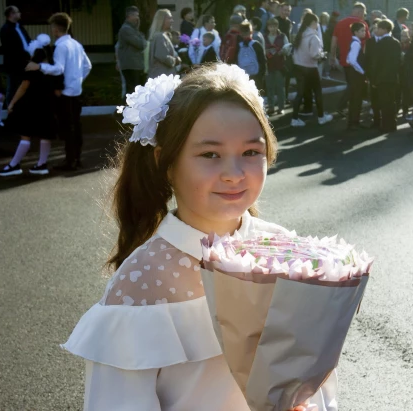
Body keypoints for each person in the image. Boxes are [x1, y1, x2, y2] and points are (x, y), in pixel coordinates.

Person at [61, 62, 337, 411]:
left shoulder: (285, 252)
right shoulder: (140, 281)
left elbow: (315, 383)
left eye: (251, 152)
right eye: (210, 154)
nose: (234, 174)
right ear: (166, 161)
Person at [26, 12, 92, 171]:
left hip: (66, 94)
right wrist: (78, 80)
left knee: (67, 128)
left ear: (56, 29)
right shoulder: (76, 44)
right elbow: (87, 66)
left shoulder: (60, 47)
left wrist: (39, 66)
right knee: (76, 126)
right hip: (76, 92)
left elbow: (58, 69)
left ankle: (70, 161)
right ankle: (76, 158)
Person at [0, 35, 63, 177]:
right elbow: (58, 89)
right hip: (48, 105)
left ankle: (14, 165)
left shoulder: (32, 68)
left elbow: (23, 87)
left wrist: (12, 103)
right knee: (45, 134)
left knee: (25, 135)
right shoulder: (53, 68)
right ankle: (42, 164)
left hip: (31, 105)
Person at [290, 12, 333, 127]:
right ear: (313, 23)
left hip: (299, 66)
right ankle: (321, 117)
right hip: (310, 68)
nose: (318, 24)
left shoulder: (300, 34)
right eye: (317, 22)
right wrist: (322, 55)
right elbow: (314, 55)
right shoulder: (314, 37)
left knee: (300, 93)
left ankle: (294, 118)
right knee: (318, 92)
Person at [330, 3, 370, 115]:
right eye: (364, 13)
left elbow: (334, 42)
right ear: (360, 12)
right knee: (354, 85)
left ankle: (352, 105)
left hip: (344, 60)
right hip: (357, 61)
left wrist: (332, 56)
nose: (364, 16)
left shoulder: (340, 23)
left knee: (352, 84)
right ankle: (343, 107)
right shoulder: (362, 24)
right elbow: (367, 43)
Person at [365, 19, 401, 132]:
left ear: (385, 29)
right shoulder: (396, 42)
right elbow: (397, 62)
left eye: (379, 28)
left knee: (381, 102)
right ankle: (391, 124)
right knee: (390, 102)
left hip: (380, 78)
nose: (377, 30)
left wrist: (373, 78)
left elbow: (376, 63)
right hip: (391, 77)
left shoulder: (380, 44)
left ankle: (384, 125)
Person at [0, 6, 31, 106]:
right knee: (13, 88)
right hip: (14, 64)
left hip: (25, 62)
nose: (20, 14)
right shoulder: (6, 29)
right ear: (11, 14)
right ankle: (11, 108)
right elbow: (10, 48)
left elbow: (27, 40)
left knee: (24, 87)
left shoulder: (20, 27)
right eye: (17, 12)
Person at [118, 6, 147, 97]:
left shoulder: (133, 29)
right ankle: (125, 110)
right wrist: (141, 37)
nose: (137, 18)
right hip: (131, 65)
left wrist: (140, 35)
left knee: (136, 92)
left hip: (135, 65)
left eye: (138, 16)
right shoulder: (126, 29)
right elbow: (140, 44)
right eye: (135, 15)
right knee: (132, 92)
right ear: (129, 16)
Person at [264, 18, 289, 115]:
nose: (272, 28)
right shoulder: (265, 37)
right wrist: (265, 52)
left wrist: (282, 51)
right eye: (270, 26)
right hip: (268, 65)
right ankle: (271, 107)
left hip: (280, 65)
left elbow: (288, 49)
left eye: (274, 26)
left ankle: (281, 108)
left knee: (280, 87)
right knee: (269, 87)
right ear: (268, 27)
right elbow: (261, 49)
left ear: (277, 27)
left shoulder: (282, 36)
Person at [346, 22, 367, 130]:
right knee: (356, 99)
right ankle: (354, 122)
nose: (364, 32)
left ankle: (353, 122)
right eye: (362, 31)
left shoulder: (354, 42)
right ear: (356, 32)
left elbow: (348, 59)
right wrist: (362, 71)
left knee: (354, 98)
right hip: (357, 75)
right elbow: (353, 60)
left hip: (353, 74)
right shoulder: (356, 43)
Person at [235, 21, 266, 90]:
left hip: (243, 76)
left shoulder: (238, 45)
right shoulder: (256, 44)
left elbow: (236, 61)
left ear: (240, 33)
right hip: (256, 76)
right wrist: (261, 76)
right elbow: (263, 61)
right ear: (251, 32)